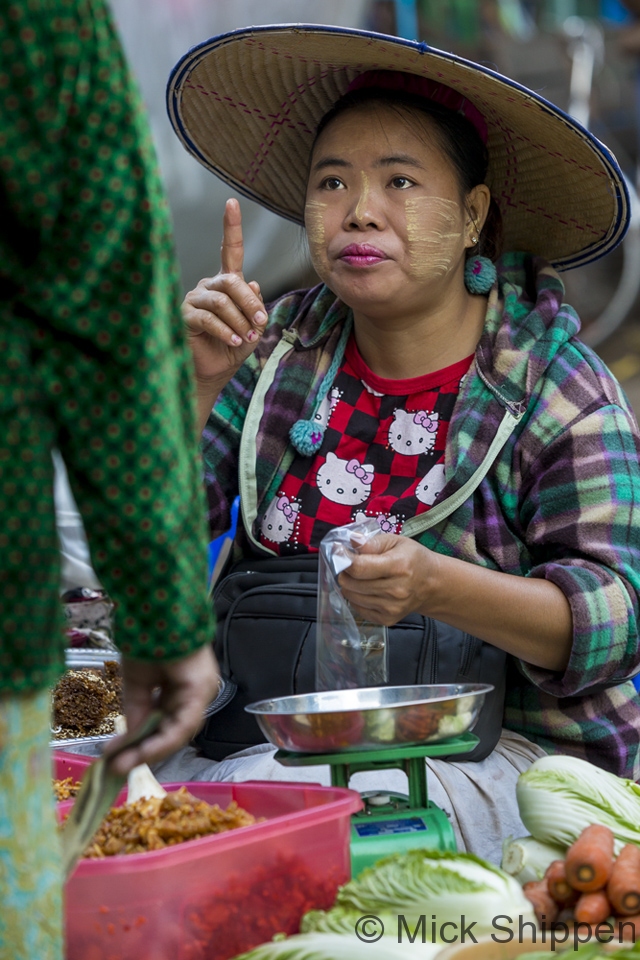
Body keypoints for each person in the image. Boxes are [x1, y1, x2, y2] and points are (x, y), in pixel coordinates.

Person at [165, 25, 640, 863]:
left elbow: (615, 622)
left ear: (472, 217)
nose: (359, 210)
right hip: (265, 734)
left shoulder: (554, 384)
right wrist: (197, 383)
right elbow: (134, 542)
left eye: (400, 181)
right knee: (78, 772)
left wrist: (436, 586)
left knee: (294, 840)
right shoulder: (276, 350)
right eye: (333, 181)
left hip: (503, 762)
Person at [0, 3, 219, 958]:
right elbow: (108, 332)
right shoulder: (43, 26)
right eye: (336, 182)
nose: (360, 212)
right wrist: (168, 619)